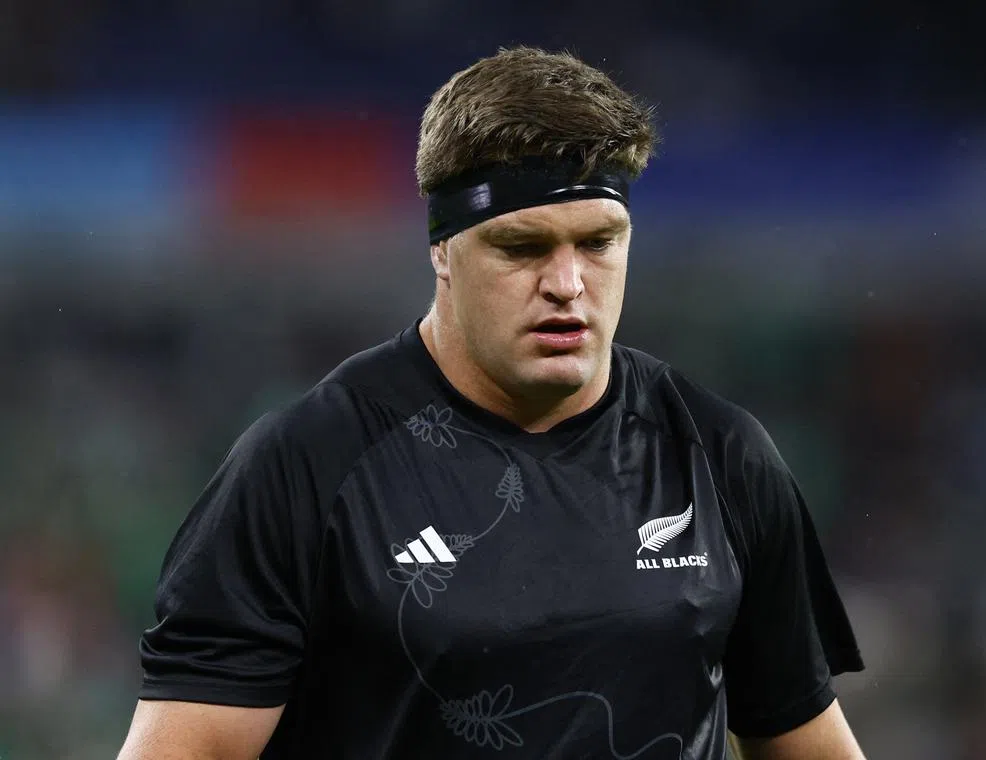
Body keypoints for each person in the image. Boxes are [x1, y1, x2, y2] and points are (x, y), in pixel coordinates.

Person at [116, 46, 866, 760]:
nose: (568, 284)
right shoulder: (306, 466)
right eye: (523, 247)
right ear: (442, 249)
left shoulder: (717, 452)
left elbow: (803, 735)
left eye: (599, 242)